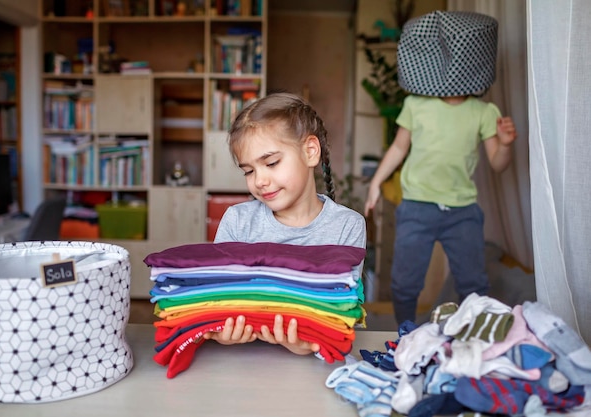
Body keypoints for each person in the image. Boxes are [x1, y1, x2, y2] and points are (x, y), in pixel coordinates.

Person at [363, 11, 518, 325]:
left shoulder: (484, 111)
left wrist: (505, 144)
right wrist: (376, 182)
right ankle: (405, 331)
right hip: (417, 206)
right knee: (405, 283)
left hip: (461, 211)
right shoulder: (416, 105)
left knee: (473, 284)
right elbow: (398, 148)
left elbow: (498, 165)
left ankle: (471, 335)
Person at [205, 92, 367, 356]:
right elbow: (217, 298)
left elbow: (343, 313)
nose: (259, 180)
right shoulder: (237, 220)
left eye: (271, 163)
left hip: (315, 374)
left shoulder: (347, 226)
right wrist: (221, 332)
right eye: (249, 171)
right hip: (243, 362)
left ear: (310, 152)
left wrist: (312, 343)